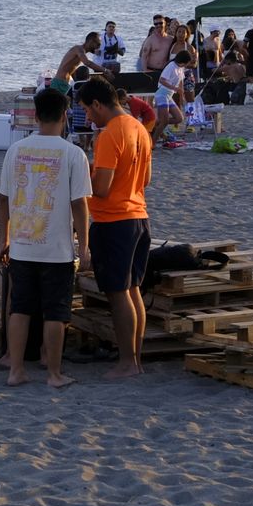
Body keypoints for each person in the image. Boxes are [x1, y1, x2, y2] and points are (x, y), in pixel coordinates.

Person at [0, 87, 91, 389]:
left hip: (23, 245)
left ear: (35, 116)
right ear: (65, 115)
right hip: (56, 249)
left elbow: (2, 200)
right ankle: (53, 374)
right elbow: (80, 205)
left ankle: (15, 370)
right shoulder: (73, 154)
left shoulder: (15, 150)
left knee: (20, 308)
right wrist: (85, 246)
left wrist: (3, 238)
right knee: (56, 311)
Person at [75, 77, 152, 379]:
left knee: (118, 293)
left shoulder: (110, 135)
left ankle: (127, 362)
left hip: (114, 220)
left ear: (97, 104)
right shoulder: (139, 128)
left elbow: (102, 188)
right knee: (133, 291)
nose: (88, 117)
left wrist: (81, 179)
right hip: (138, 216)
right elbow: (146, 179)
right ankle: (135, 359)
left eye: (88, 110)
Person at [153, 51, 191, 144]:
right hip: (162, 94)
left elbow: (181, 82)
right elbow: (162, 80)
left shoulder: (181, 68)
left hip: (169, 95)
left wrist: (182, 96)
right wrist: (175, 88)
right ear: (183, 61)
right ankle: (153, 141)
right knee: (164, 121)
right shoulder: (171, 66)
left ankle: (156, 124)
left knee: (179, 118)